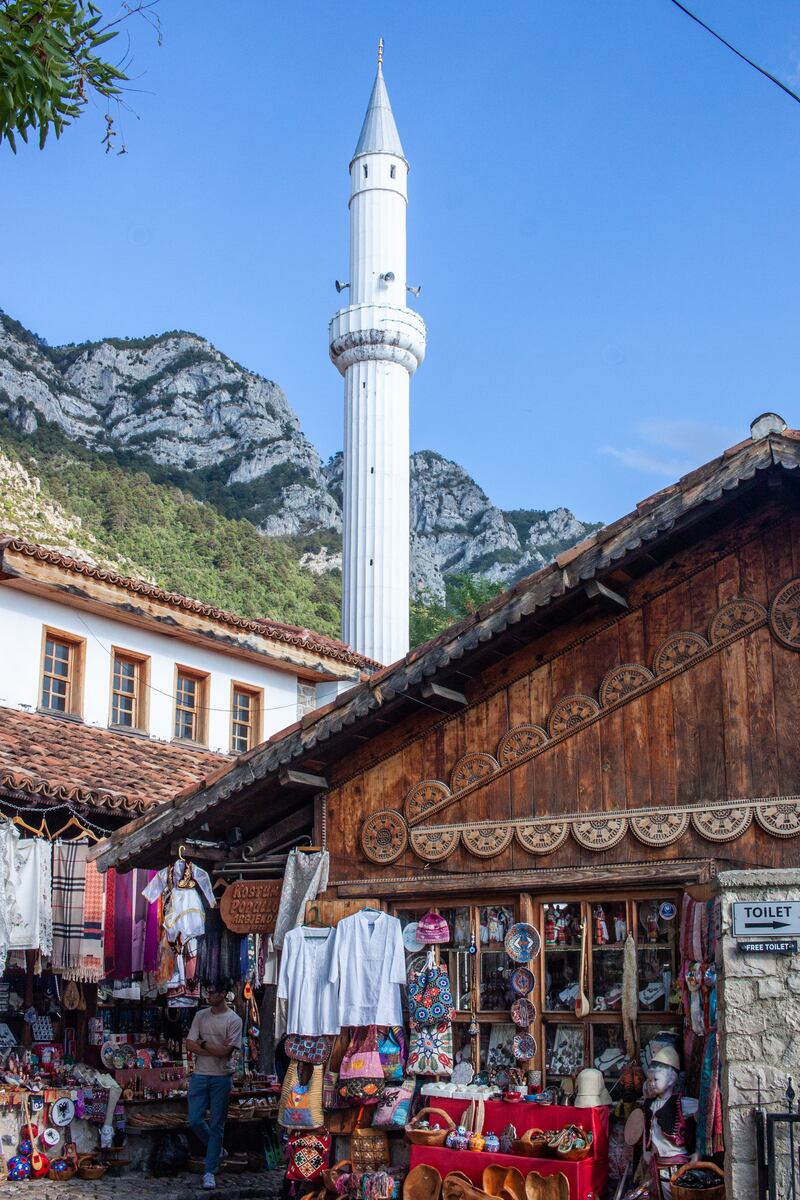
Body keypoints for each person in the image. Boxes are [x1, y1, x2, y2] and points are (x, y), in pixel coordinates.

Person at [185, 980, 243, 1190]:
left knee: (217, 1123)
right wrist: (210, 1047)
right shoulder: (201, 1016)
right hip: (200, 1075)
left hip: (221, 1076)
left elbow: (226, 1052)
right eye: (207, 992)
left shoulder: (233, 1020)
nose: (208, 995)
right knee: (194, 1120)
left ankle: (209, 1170)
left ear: (223, 993)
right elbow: (189, 1044)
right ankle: (216, 1148)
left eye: (212, 992)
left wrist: (202, 1044)